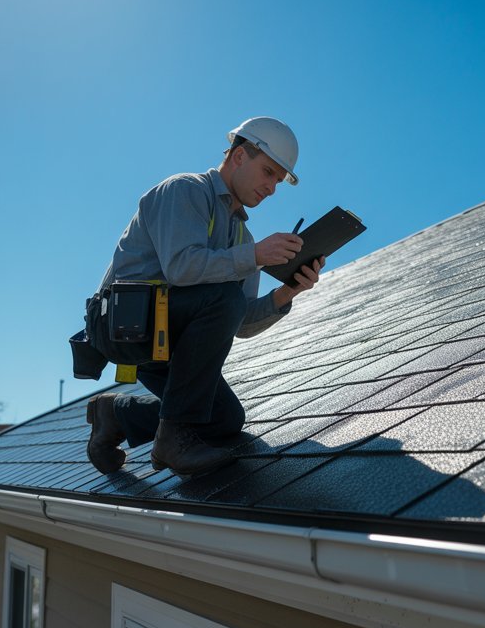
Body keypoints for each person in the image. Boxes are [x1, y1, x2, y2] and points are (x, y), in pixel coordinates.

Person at [84, 116, 324, 476]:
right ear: (240, 156)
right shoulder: (185, 190)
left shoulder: (241, 238)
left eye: (278, 179)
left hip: (169, 339)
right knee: (223, 297)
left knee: (225, 418)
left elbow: (237, 322)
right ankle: (171, 441)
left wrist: (287, 292)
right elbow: (182, 267)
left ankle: (115, 414)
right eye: (268, 172)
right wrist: (256, 256)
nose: (272, 187)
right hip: (121, 323)